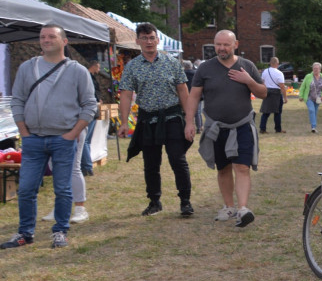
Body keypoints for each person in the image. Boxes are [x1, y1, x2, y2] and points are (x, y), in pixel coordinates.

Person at [2, 24, 96, 250]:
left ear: (64, 41)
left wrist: (72, 134)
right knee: (26, 189)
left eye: (52, 36)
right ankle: (25, 233)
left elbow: (89, 105)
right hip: (33, 138)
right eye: (42, 36)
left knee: (62, 188)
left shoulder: (77, 71)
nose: (46, 40)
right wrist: (24, 132)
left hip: (63, 139)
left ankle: (60, 231)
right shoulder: (28, 67)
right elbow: (18, 100)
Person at [185, 29, 267, 227]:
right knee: (223, 169)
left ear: (235, 45)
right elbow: (194, 96)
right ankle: (229, 207)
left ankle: (243, 209)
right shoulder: (205, 69)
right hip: (216, 127)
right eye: (218, 44)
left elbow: (263, 93)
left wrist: (248, 81)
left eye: (226, 44)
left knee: (242, 167)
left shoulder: (247, 65)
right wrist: (189, 122)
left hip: (242, 125)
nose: (221, 48)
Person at [118, 22, 194, 217]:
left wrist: (190, 120)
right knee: (151, 163)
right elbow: (126, 95)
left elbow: (183, 91)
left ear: (158, 40)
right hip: (148, 119)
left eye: (152, 38)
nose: (149, 42)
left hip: (172, 117)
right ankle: (154, 202)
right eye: (144, 38)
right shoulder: (132, 67)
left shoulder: (172, 62)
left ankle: (185, 202)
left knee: (178, 160)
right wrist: (124, 122)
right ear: (137, 41)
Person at [79, 59, 103, 176]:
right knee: (86, 141)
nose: (99, 69)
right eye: (98, 67)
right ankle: (87, 166)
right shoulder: (88, 78)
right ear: (93, 66)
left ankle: (87, 166)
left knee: (85, 140)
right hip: (91, 110)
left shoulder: (89, 77)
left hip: (91, 111)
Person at [258, 57, 287, 133]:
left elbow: (262, 82)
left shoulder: (265, 71)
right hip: (276, 93)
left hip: (267, 92)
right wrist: (285, 98)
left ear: (270, 63)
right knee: (277, 112)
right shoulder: (279, 73)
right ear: (277, 64)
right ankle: (278, 129)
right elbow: (282, 86)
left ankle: (262, 128)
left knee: (266, 112)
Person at [298, 62, 322, 133]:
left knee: (315, 112)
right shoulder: (308, 76)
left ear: (320, 69)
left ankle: (313, 126)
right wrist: (301, 96)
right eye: (314, 68)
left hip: (318, 98)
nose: (315, 70)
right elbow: (303, 86)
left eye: (317, 68)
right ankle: (313, 127)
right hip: (309, 97)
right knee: (311, 110)